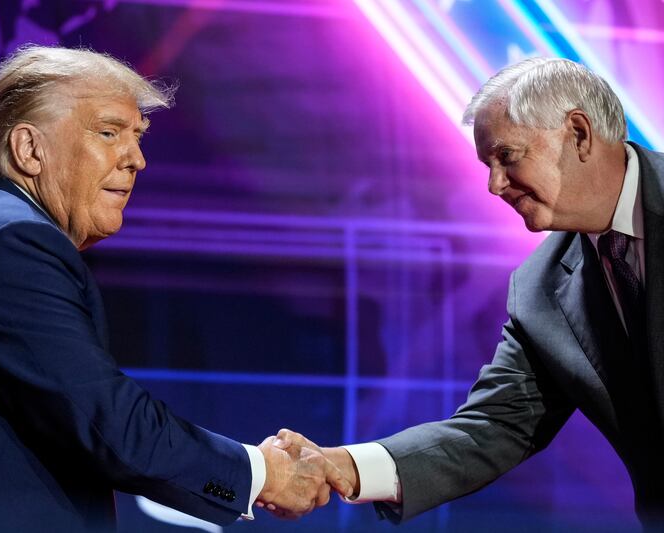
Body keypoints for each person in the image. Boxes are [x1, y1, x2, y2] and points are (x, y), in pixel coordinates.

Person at [0, 45, 351, 532]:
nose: (136, 159)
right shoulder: (9, 241)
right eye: (108, 132)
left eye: (137, 136)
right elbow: (109, 424)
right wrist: (260, 474)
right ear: (29, 149)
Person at [275, 57, 664, 530]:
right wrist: (344, 466)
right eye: (488, 165)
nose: (493, 184)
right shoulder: (540, 289)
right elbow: (493, 427)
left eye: (507, 156)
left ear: (578, 134)